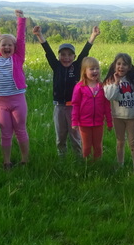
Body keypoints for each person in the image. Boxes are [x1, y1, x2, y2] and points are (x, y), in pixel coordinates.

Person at [33, 24, 100, 156]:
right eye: (63, 55)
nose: (66, 57)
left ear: (74, 57)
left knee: (75, 135)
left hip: (74, 107)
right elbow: (48, 51)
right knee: (60, 134)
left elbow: (85, 52)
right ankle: (62, 156)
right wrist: (39, 35)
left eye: (70, 55)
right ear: (58, 56)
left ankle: (78, 157)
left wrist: (93, 35)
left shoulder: (77, 66)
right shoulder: (56, 66)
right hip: (59, 107)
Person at [0, 5, 29, 169]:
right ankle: (6, 162)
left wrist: (21, 19)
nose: (6, 47)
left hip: (18, 101)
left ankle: (25, 160)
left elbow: (20, 38)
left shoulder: (18, 58)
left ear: (14, 48)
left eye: (10, 45)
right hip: (1, 103)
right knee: (5, 134)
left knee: (20, 131)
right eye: (3, 45)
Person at [71, 57, 113, 160]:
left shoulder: (102, 86)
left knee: (98, 146)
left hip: (99, 122)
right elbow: (75, 105)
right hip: (84, 123)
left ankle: (97, 164)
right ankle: (87, 165)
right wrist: (74, 121)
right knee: (86, 147)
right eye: (92, 69)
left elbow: (107, 106)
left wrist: (109, 122)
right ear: (84, 71)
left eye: (97, 68)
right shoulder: (79, 87)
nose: (95, 71)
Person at [104, 53, 134, 171]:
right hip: (117, 116)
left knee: (132, 142)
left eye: (125, 64)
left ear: (129, 67)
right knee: (120, 141)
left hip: (131, 116)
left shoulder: (133, 80)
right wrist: (116, 83)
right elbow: (109, 97)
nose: (121, 67)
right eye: (118, 64)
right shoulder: (110, 81)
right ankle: (120, 165)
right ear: (114, 65)